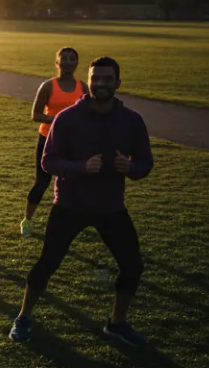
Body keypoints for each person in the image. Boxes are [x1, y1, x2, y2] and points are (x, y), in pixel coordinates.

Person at [9, 56, 153, 347]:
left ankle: (117, 323)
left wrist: (131, 168)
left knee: (132, 266)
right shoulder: (68, 118)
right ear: (87, 82)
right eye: (95, 78)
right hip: (70, 205)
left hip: (111, 207)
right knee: (47, 263)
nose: (100, 84)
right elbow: (48, 161)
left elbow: (145, 163)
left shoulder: (131, 120)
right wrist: (80, 167)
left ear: (118, 83)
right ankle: (23, 317)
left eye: (107, 79)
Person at [22, 47, 88, 236]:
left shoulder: (83, 88)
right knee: (42, 183)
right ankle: (27, 220)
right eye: (63, 58)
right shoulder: (48, 86)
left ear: (76, 63)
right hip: (48, 140)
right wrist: (58, 119)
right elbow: (35, 115)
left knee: (73, 182)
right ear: (57, 63)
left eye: (72, 59)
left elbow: (88, 113)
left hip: (73, 143)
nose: (68, 62)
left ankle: (73, 221)